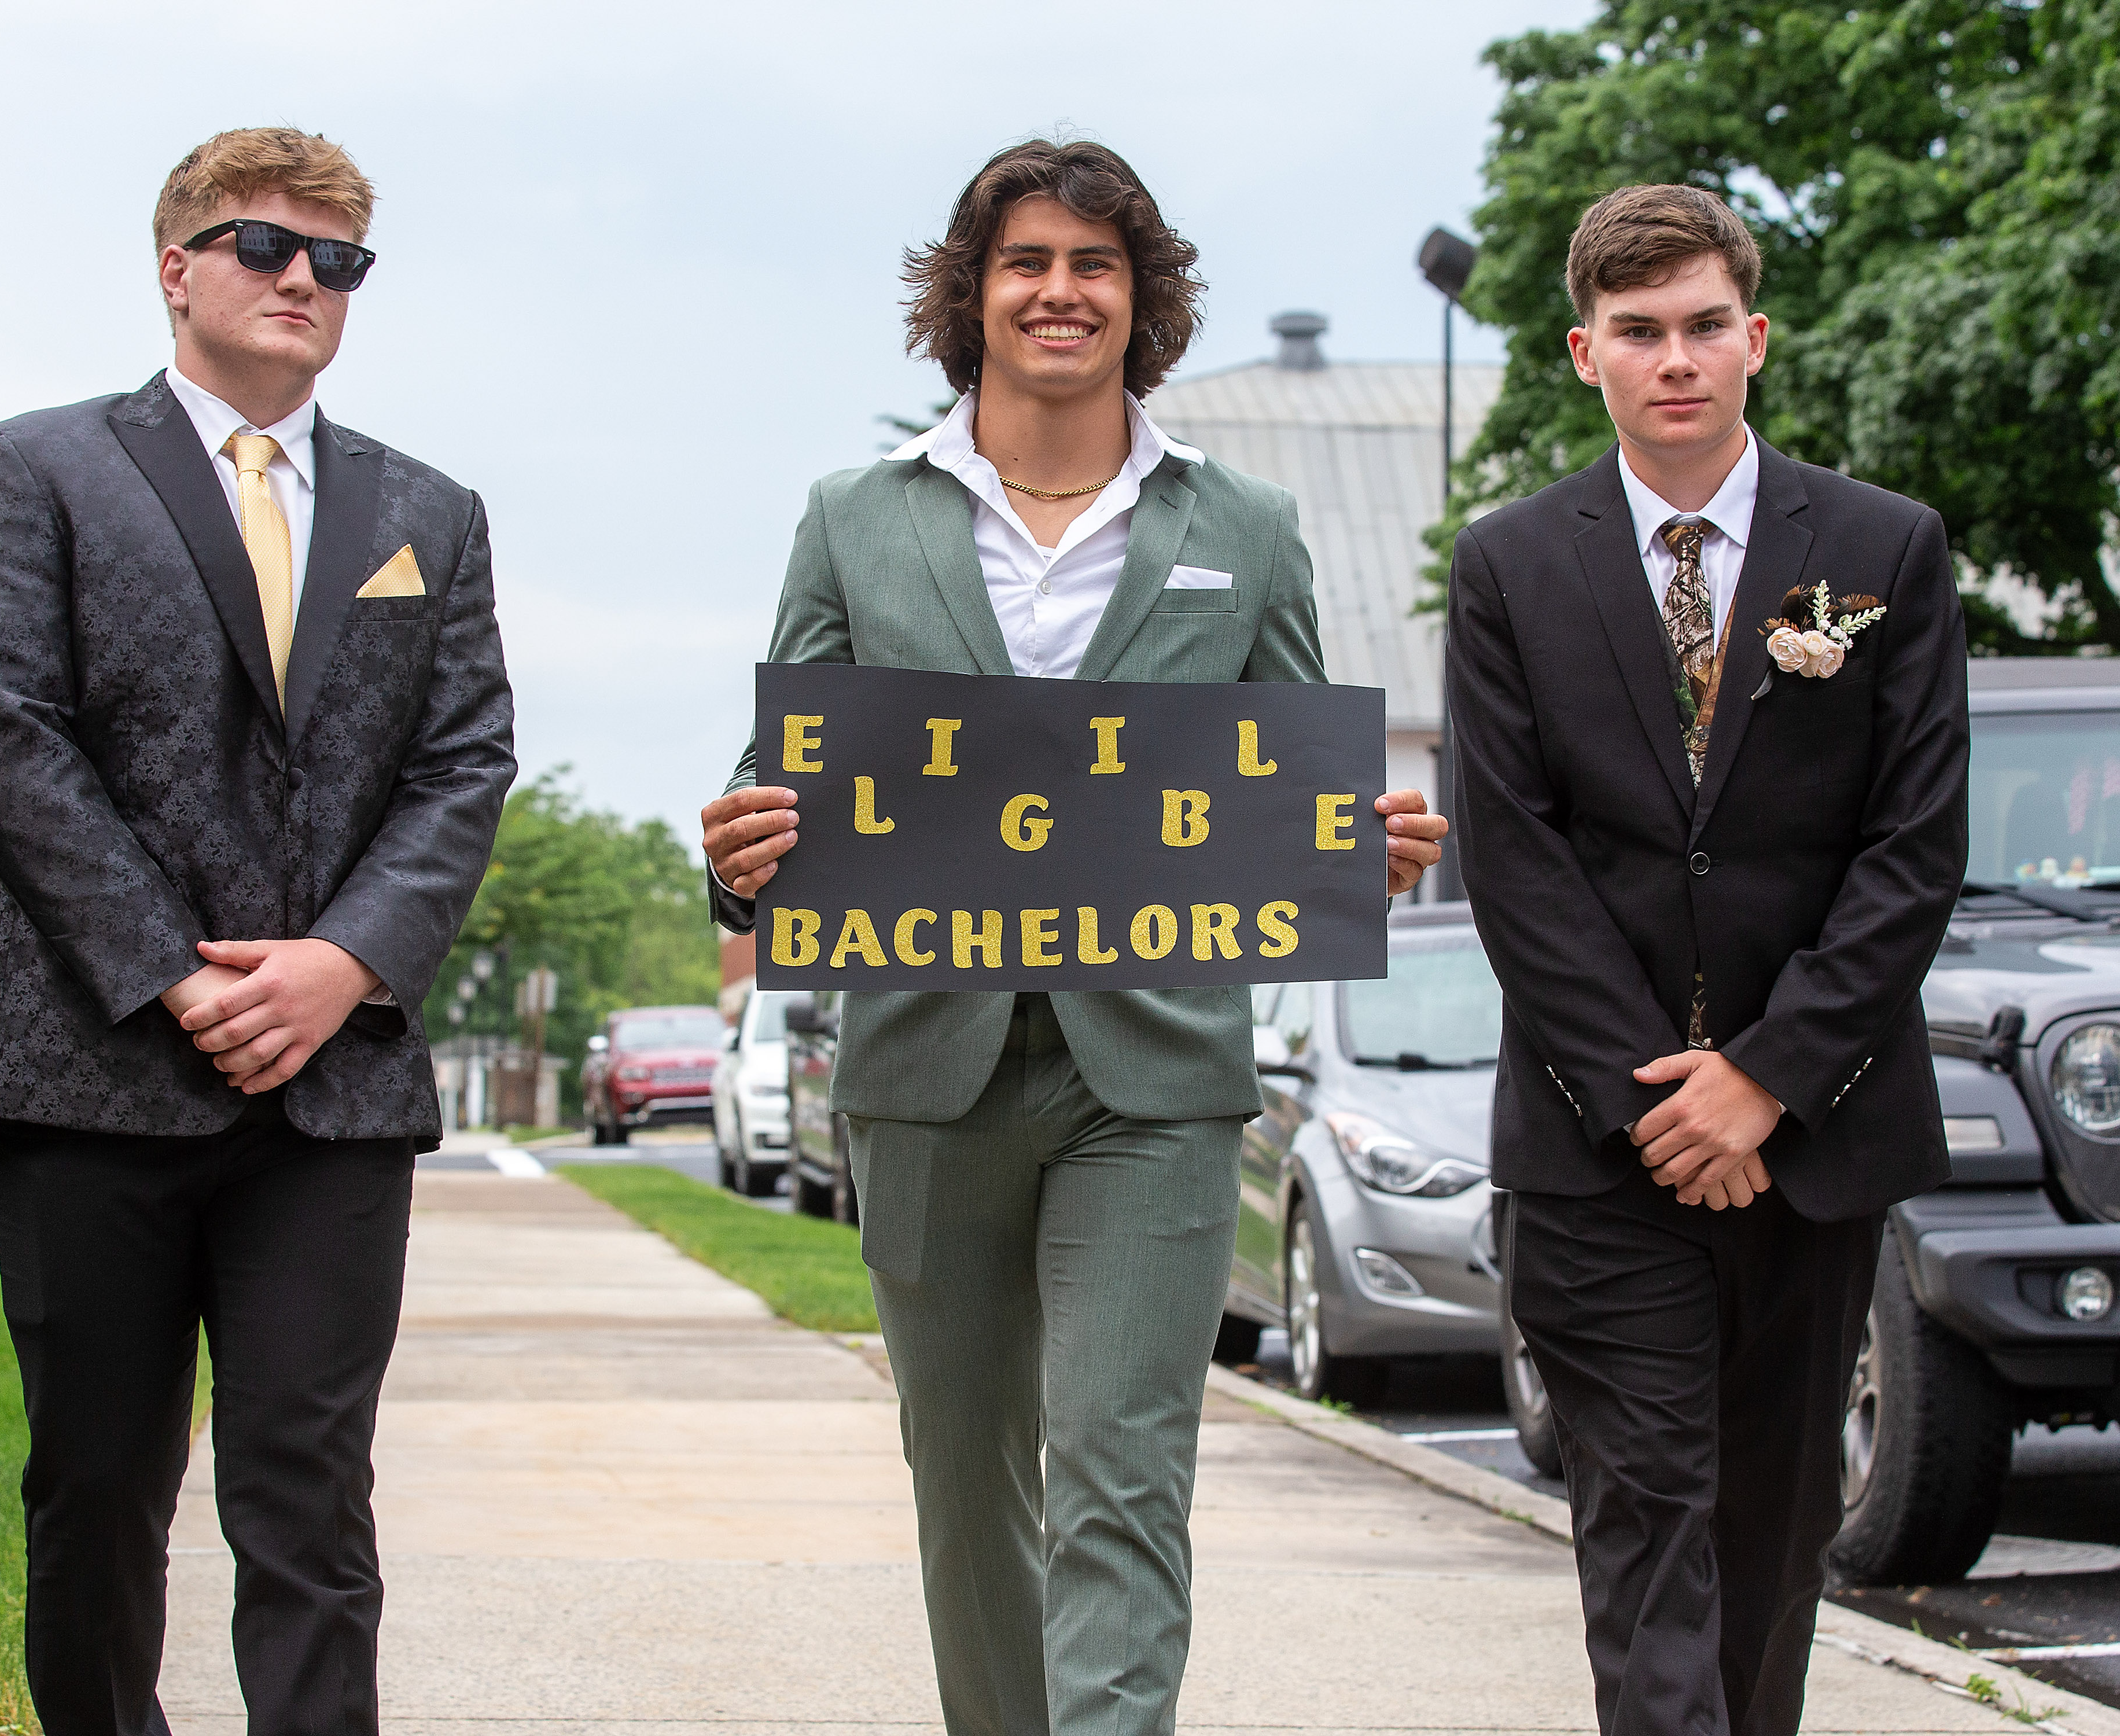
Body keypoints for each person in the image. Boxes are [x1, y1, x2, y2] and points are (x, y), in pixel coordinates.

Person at [700, 138, 1445, 1736]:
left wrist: (1359, 855)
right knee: (967, 1477)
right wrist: (744, 849)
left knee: (1123, 1469)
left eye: (1094, 264)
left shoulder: (1243, 523)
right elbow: (786, 782)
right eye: (1026, 261)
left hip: (1155, 1076)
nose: (1059, 290)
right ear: (971, 294)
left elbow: (1297, 785)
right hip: (926, 1066)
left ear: (1140, 297)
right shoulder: (855, 517)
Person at [0, 127, 516, 1736]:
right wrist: (175, 972)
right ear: (175, 267)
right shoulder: (35, 467)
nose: (305, 283)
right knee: (100, 1491)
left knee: (311, 1502)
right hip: (94, 1067)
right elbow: (0, 731)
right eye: (269, 248)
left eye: (340, 261)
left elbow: (467, 763)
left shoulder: (430, 513)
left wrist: (348, 962)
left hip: (332, 1093)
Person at [1446, 183, 1968, 1736]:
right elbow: (1518, 858)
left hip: (1819, 1138)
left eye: (1698, 327)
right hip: (1599, 1150)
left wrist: (1767, 1080)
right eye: (1635, 333)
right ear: (1582, 353)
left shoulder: (1883, 550)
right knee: (1650, 1523)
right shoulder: (1510, 565)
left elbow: (1909, 848)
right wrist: (1670, 1104)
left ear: (1754, 337)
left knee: (1772, 1535)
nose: (1672, 359)